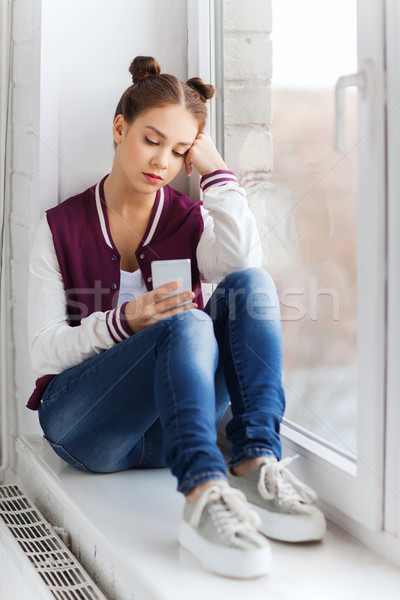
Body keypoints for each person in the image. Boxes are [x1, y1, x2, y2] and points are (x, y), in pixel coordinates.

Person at [27, 56, 326, 579]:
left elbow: (242, 266)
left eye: (180, 150)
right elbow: (44, 348)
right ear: (120, 128)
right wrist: (125, 322)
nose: (162, 161)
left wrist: (217, 173)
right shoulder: (59, 227)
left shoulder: (188, 220)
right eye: (151, 139)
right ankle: (203, 490)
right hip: (87, 429)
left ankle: (256, 463)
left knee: (250, 286)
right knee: (186, 322)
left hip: (174, 432)